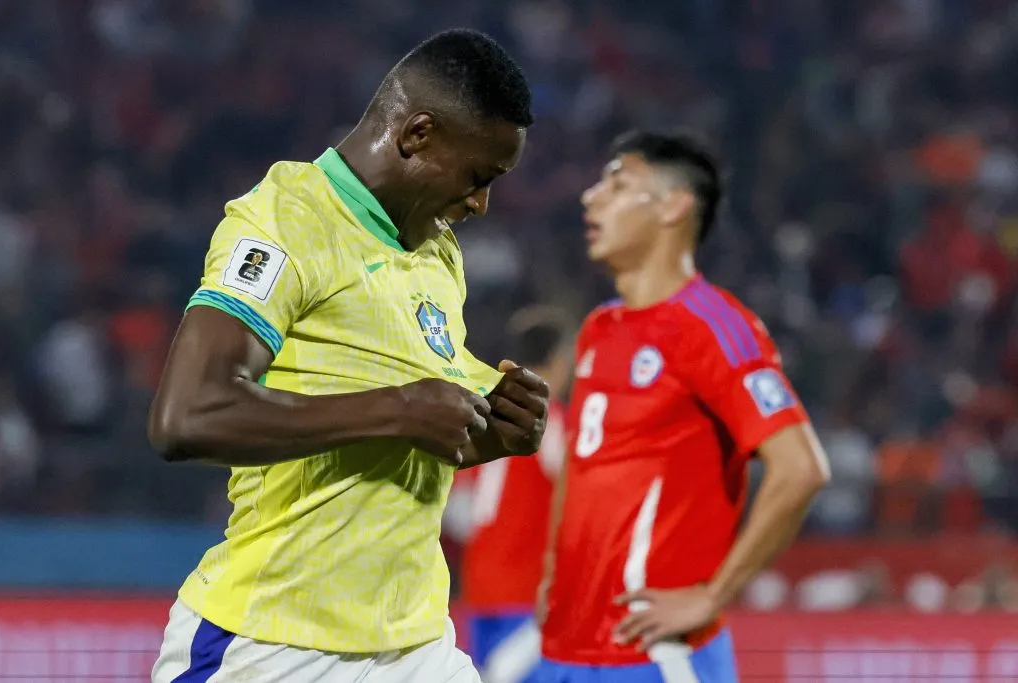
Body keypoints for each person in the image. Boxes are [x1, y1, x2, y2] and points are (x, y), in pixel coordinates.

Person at [148, 29, 549, 683]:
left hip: (416, 643)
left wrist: (490, 430)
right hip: (274, 645)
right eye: (479, 177)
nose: (482, 202)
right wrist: (398, 410)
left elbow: (404, 439)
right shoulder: (287, 221)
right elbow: (186, 415)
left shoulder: (435, 249)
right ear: (417, 134)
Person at [534, 131, 830, 682]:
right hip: (565, 650)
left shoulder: (713, 327)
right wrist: (555, 563)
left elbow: (801, 469)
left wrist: (712, 596)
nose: (591, 197)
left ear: (674, 206)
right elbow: (582, 458)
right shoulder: (601, 327)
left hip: (655, 657)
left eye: (618, 185)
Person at [444, 306, 572, 683]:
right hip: (528, 595)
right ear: (559, 361)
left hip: (479, 591)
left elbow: (459, 514)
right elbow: (576, 494)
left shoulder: (486, 417)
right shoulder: (548, 419)